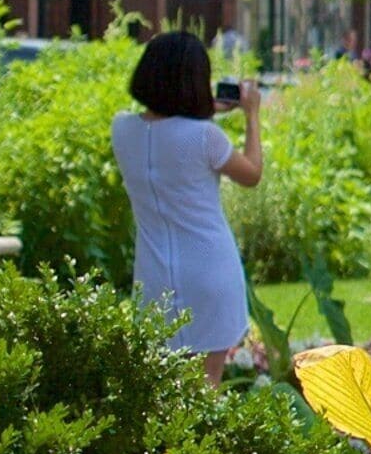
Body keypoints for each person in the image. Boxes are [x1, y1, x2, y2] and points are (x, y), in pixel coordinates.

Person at [113, 31, 265, 380]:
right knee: (205, 389)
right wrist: (251, 116)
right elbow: (251, 174)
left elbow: (165, 127)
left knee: (164, 388)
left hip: (153, 275)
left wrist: (205, 108)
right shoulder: (205, 137)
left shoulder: (122, 130)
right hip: (209, 269)